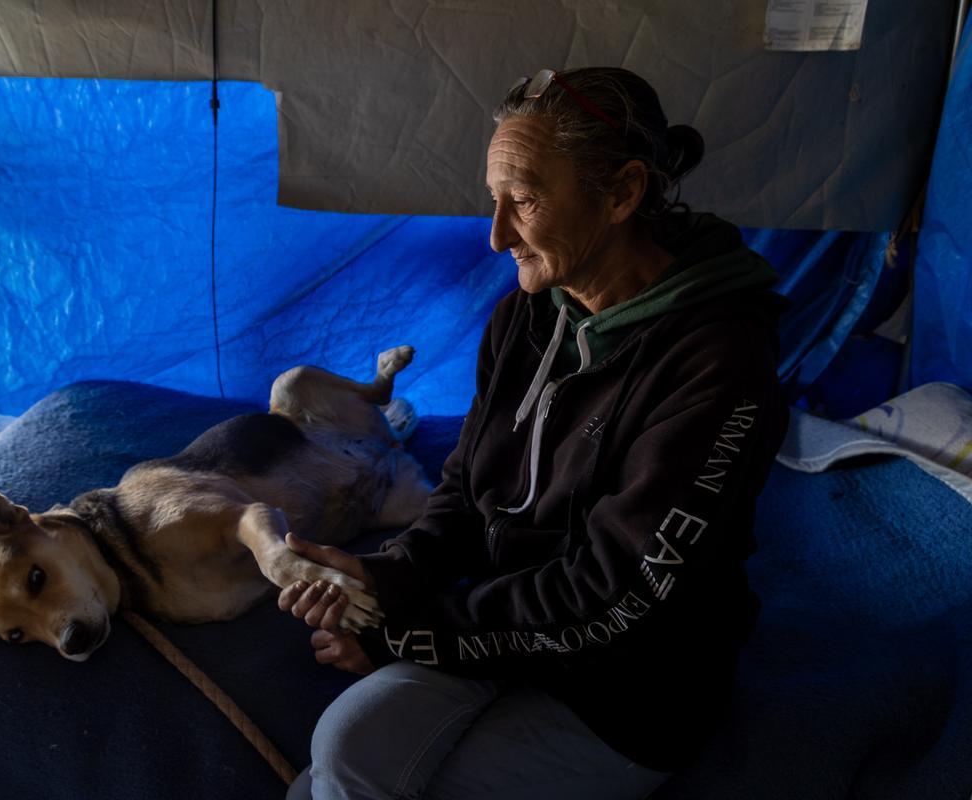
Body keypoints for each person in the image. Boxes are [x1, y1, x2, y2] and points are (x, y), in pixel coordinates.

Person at [279, 66, 789, 800]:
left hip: (628, 687)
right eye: (494, 201)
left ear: (622, 193)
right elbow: (465, 483)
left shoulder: (718, 360)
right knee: (343, 746)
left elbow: (618, 595)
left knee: (350, 774)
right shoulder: (527, 314)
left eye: (523, 200)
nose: (494, 237)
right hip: (503, 627)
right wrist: (386, 579)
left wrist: (404, 634)